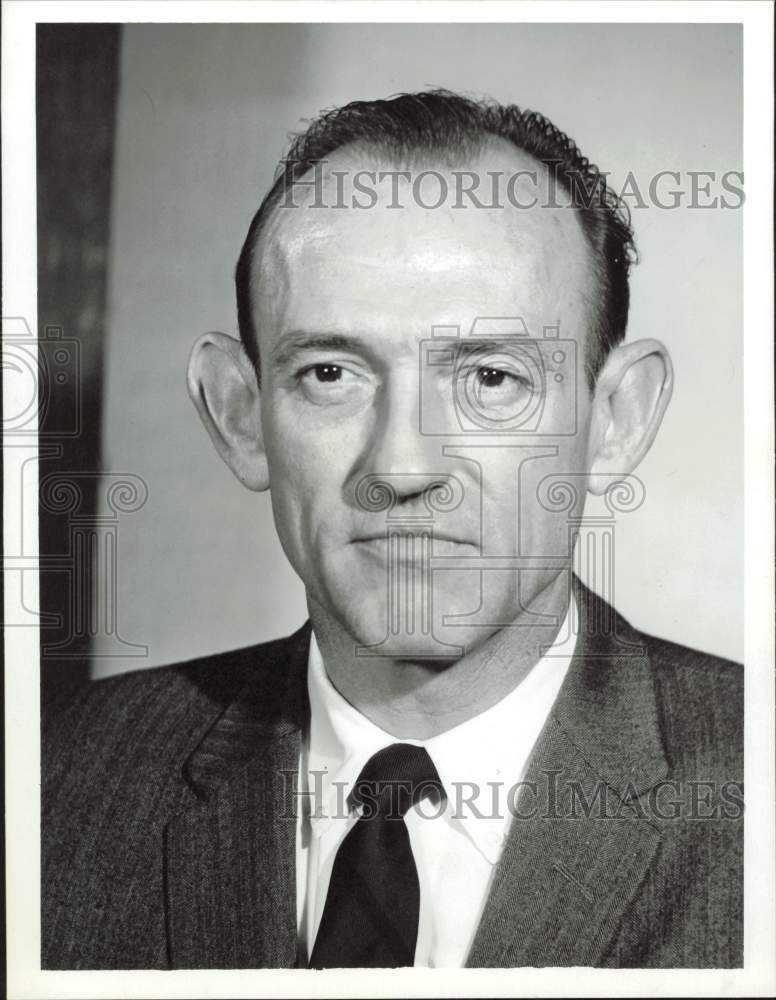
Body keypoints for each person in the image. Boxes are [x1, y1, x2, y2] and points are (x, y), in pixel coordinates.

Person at [42, 90, 743, 970]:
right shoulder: (52, 789)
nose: (404, 467)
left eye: (491, 377)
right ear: (238, 414)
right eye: (331, 373)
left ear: (616, 420)